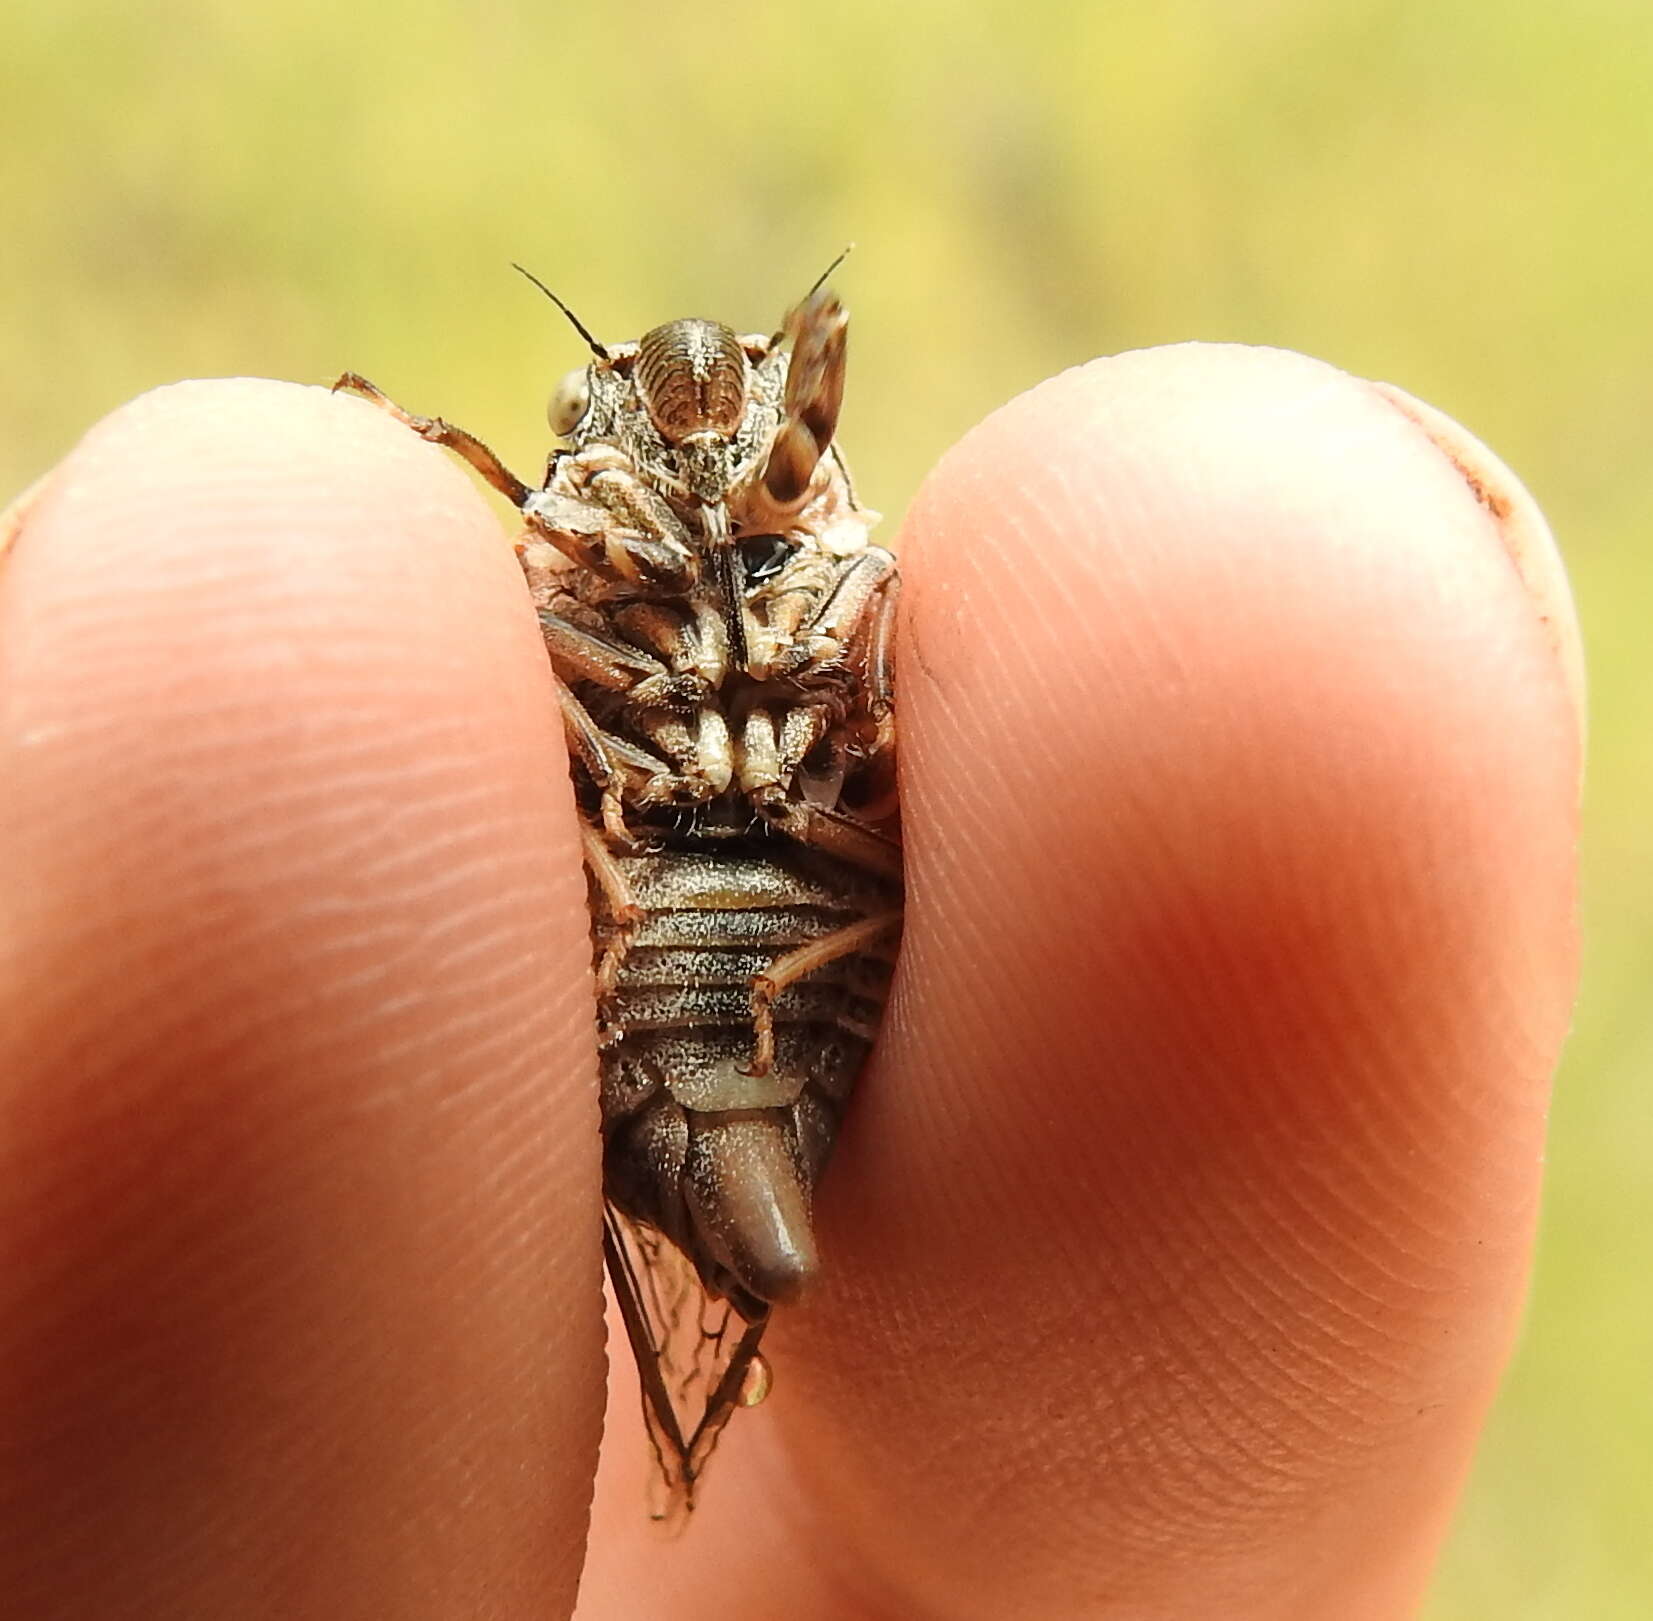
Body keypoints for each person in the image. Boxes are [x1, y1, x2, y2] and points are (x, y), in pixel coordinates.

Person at [0, 345, 1581, 1619]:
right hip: (653, 946)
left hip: (800, 935)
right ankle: (701, 1293)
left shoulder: (819, 554)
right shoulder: (581, 536)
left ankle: (721, 1287)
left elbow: (883, 673)